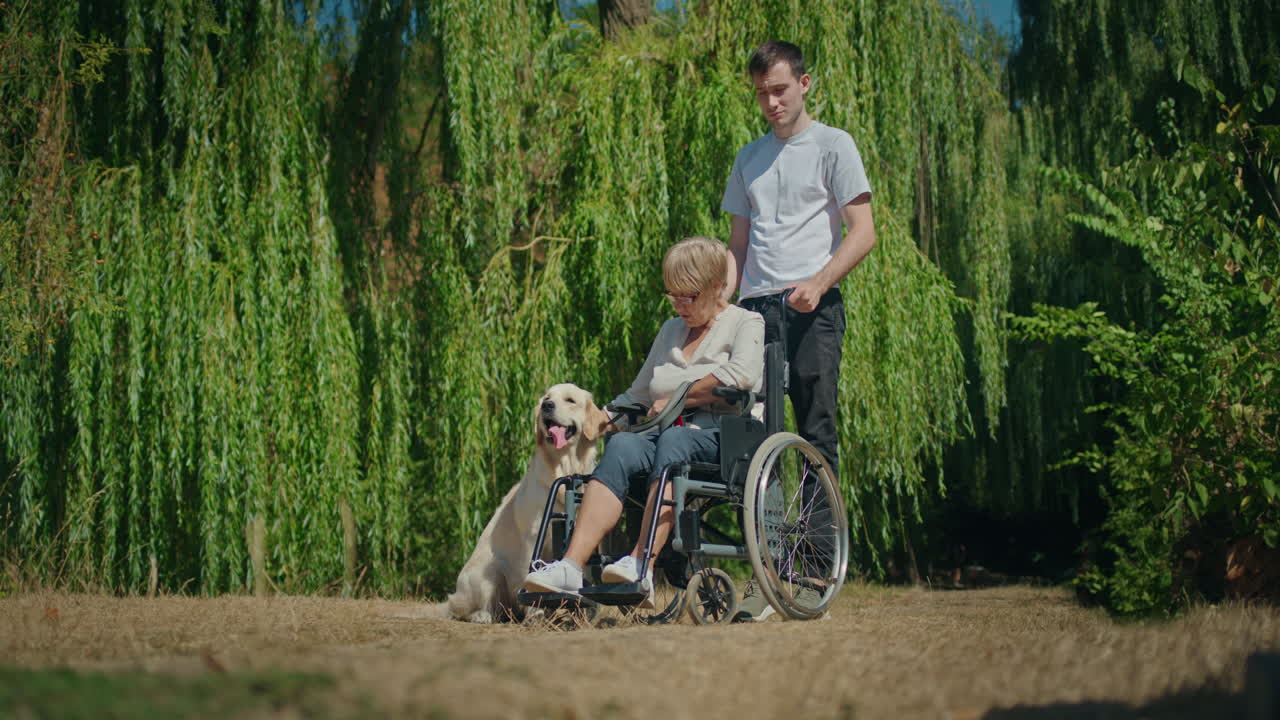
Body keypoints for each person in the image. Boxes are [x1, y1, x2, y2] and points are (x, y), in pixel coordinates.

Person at [721, 41, 877, 621]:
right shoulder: (748, 158)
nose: (770, 102)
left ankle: (811, 572)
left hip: (813, 306)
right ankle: (768, 572)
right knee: (755, 437)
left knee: (814, 432)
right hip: (757, 311)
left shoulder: (834, 146)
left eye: (780, 90)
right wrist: (721, 305)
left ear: (805, 83)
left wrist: (819, 279)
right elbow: (737, 247)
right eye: (761, 93)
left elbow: (862, 232)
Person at [522, 237, 765, 606]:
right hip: (666, 435)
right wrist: (598, 419)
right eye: (673, 295)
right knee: (621, 445)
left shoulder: (746, 322)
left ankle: (641, 565)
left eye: (689, 296)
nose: (680, 305)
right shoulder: (670, 330)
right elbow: (638, 396)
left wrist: (680, 397)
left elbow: (742, 375)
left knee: (673, 443)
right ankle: (570, 567)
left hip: (722, 438)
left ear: (717, 287)